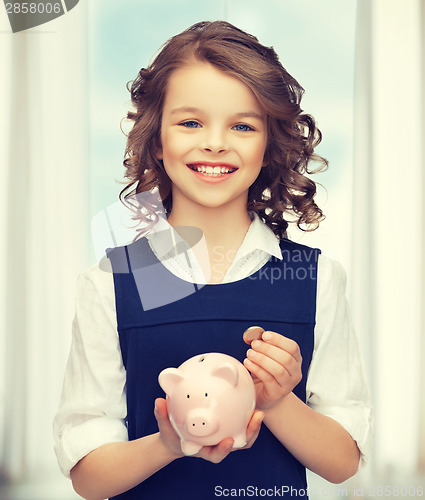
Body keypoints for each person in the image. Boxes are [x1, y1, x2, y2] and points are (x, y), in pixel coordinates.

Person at [53, 21, 373, 500]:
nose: (215, 143)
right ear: (156, 140)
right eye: (190, 122)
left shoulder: (316, 279)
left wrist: (279, 401)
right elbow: (88, 479)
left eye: (242, 126)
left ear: (268, 145)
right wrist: (170, 443)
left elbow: (343, 462)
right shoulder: (112, 283)